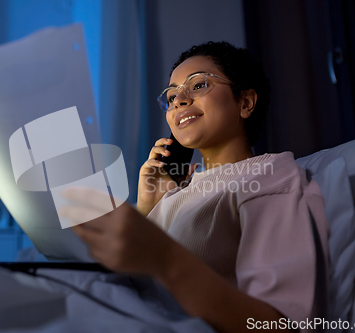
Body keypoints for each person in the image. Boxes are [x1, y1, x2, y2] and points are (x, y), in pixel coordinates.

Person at [59, 41, 329, 332]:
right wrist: (149, 208)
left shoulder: (268, 174)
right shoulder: (180, 187)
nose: (179, 100)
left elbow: (281, 326)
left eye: (198, 85)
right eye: (172, 95)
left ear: (246, 102)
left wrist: (165, 256)